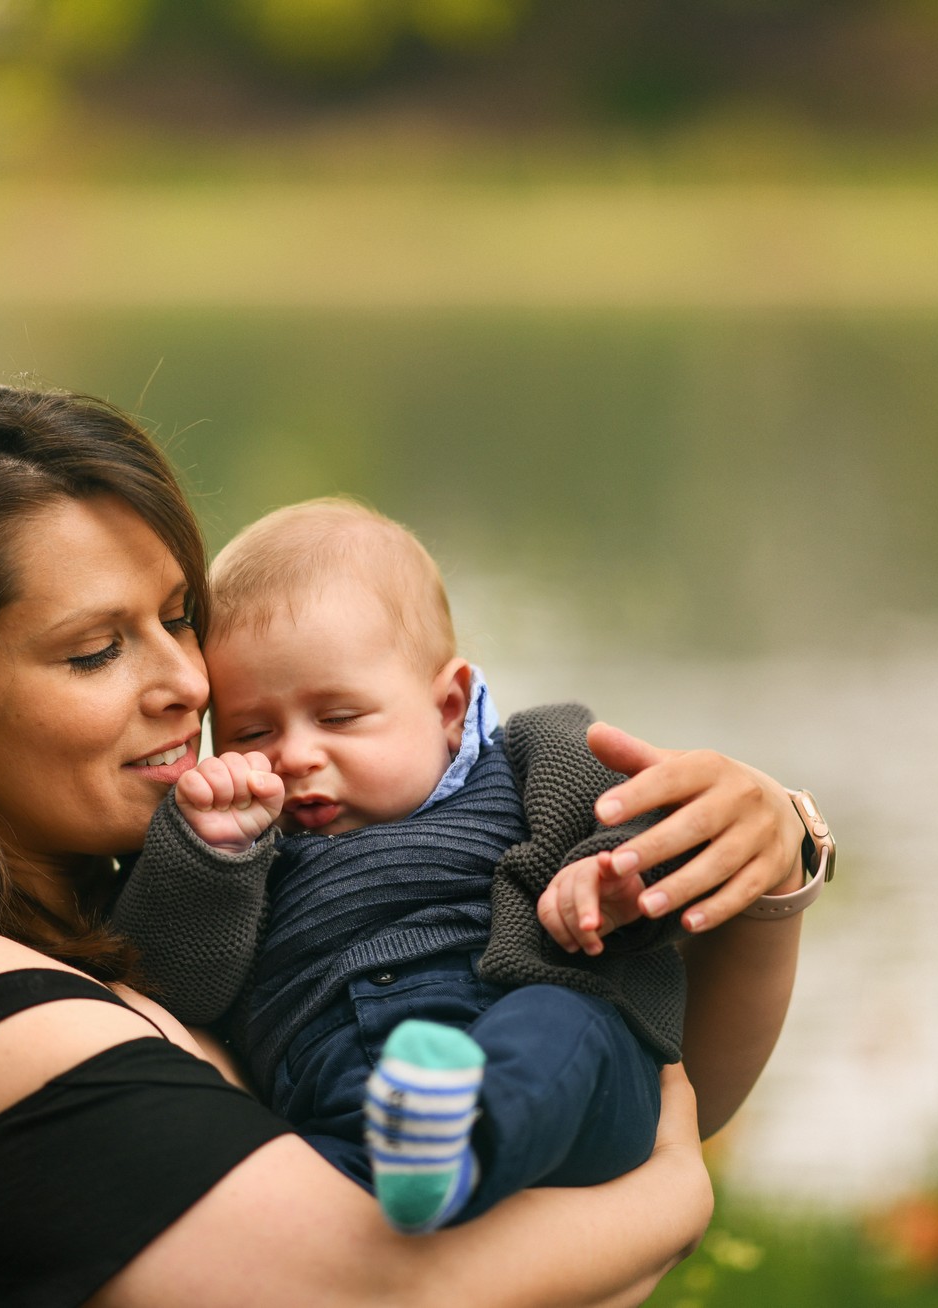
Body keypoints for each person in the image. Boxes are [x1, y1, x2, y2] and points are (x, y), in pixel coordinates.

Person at [0, 380, 813, 1308]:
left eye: (177, 617)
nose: (187, 684)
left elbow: (630, 1103)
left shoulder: (121, 941)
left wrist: (773, 862)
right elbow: (385, 1291)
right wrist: (676, 1195)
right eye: (96, 650)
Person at [111, 498, 691, 1234]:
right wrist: (214, 855)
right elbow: (171, 987)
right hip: (347, 1098)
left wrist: (610, 872)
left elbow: (659, 817)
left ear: (448, 706)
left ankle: (465, 1144)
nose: (296, 756)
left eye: (338, 717)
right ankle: (420, 1176)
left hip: (548, 1048)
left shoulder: (535, 757)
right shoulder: (247, 844)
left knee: (558, 1023)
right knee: (277, 1212)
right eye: (251, 732)